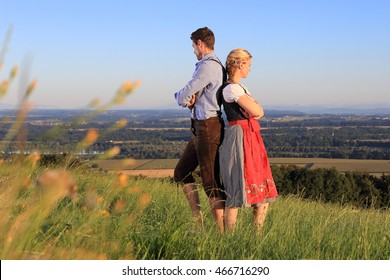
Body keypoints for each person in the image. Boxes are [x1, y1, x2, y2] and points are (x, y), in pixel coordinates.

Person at [219, 48, 278, 233]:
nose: (250, 69)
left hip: (250, 137)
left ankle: (256, 234)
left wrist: (256, 109)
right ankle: (230, 238)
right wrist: (256, 107)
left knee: (261, 188)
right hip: (240, 138)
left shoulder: (239, 88)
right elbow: (258, 111)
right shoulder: (232, 89)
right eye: (249, 65)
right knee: (237, 187)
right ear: (240, 64)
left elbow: (257, 111)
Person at [173, 27, 226, 232]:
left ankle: (222, 234)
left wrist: (182, 97)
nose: (193, 50)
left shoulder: (208, 66)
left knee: (210, 181)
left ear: (200, 44)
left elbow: (184, 94)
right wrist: (192, 100)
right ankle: (199, 224)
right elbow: (196, 95)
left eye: (194, 46)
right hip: (200, 127)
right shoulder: (212, 66)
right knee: (181, 171)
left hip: (207, 127)